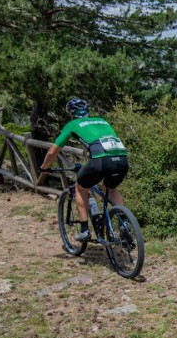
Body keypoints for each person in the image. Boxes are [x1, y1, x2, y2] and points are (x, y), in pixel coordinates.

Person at [39, 97, 129, 241]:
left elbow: (52, 152)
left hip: (100, 160)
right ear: (87, 111)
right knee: (111, 189)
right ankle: (125, 224)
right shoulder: (102, 120)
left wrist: (44, 168)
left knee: (80, 188)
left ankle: (84, 230)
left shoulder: (73, 124)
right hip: (122, 158)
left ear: (71, 113)